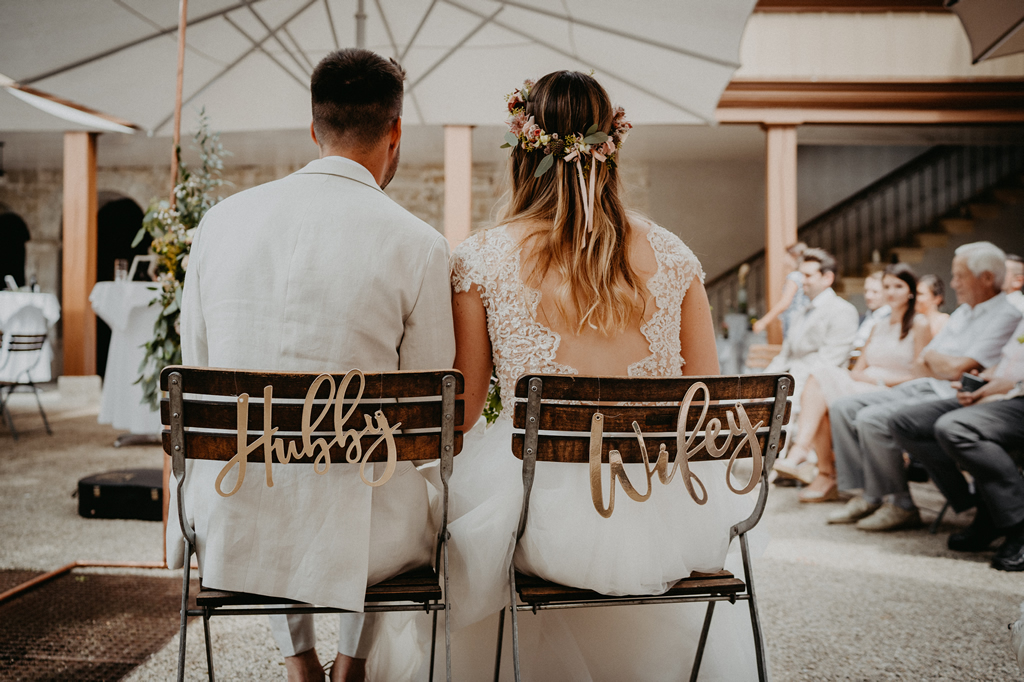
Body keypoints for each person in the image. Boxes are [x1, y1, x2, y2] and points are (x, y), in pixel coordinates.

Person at [437, 71, 757, 680]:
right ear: (611, 146)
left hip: (534, 520)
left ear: (522, 150)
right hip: (664, 524)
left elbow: (465, 409)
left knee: (449, 519)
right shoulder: (674, 255)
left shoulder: (479, 258)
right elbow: (705, 400)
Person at [170, 49, 455, 682]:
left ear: (313, 127)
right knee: (395, 466)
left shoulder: (219, 224)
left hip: (233, 521)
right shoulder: (420, 245)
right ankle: (351, 665)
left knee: (265, 455)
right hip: (369, 540)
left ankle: (299, 663)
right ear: (395, 131)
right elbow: (426, 417)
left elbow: (199, 372)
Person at [827, 242, 1022, 532]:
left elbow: (957, 368)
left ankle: (903, 503)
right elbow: (923, 362)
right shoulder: (963, 313)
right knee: (842, 407)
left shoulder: (1007, 314)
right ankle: (870, 495)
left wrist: (941, 361)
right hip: (927, 384)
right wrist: (943, 362)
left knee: (874, 419)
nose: (953, 283)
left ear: (986, 278)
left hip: (957, 394)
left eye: (960, 276)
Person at [776, 263, 931, 501]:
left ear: (910, 291)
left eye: (898, 286)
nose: (891, 292)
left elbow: (921, 377)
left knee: (821, 392)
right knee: (819, 377)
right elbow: (857, 371)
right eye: (887, 286)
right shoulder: (878, 325)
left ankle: (818, 466)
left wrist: (879, 379)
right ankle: (814, 462)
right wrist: (867, 378)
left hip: (895, 390)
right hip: (864, 384)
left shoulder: (919, 324)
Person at [890, 319, 1024, 571]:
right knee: (906, 422)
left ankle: (1017, 522)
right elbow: (1011, 362)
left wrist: (1004, 388)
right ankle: (985, 509)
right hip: (999, 393)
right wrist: (984, 380)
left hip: (1017, 398)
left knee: (956, 428)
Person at [764, 248, 859, 413]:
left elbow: (827, 364)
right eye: (801, 274)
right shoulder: (800, 312)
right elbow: (784, 356)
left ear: (827, 278)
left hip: (814, 391)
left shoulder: (843, 311)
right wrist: (760, 386)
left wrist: (785, 395)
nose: (802, 280)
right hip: (787, 383)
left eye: (808, 275)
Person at [753, 242, 808, 338]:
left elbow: (785, 302)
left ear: (794, 256)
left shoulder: (794, 276)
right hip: (803, 320)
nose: (784, 258)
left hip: (794, 321)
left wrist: (763, 321)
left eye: (786, 255)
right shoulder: (803, 276)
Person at [852, 271, 891, 350]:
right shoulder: (862, 318)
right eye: (866, 291)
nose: (868, 296)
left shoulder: (892, 319)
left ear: (887, 293)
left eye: (875, 292)